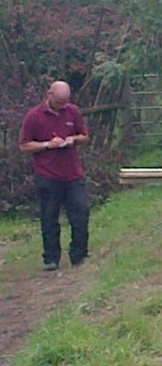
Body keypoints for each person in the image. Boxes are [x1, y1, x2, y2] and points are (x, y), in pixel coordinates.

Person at [19, 81, 90, 271]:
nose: (62, 106)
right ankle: (51, 258)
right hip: (47, 175)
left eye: (65, 102)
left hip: (73, 174)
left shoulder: (72, 111)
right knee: (49, 218)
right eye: (59, 102)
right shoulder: (33, 116)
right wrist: (47, 145)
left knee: (81, 214)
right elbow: (24, 146)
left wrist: (73, 139)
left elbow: (84, 136)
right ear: (49, 94)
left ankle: (79, 256)